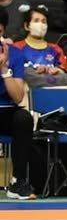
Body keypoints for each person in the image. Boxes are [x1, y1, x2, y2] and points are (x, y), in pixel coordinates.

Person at [0, 15, 34, 200]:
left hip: (6, 111)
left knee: (24, 118)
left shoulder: (15, 54)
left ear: (3, 31)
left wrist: (4, 70)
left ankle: (18, 181)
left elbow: (18, 96)